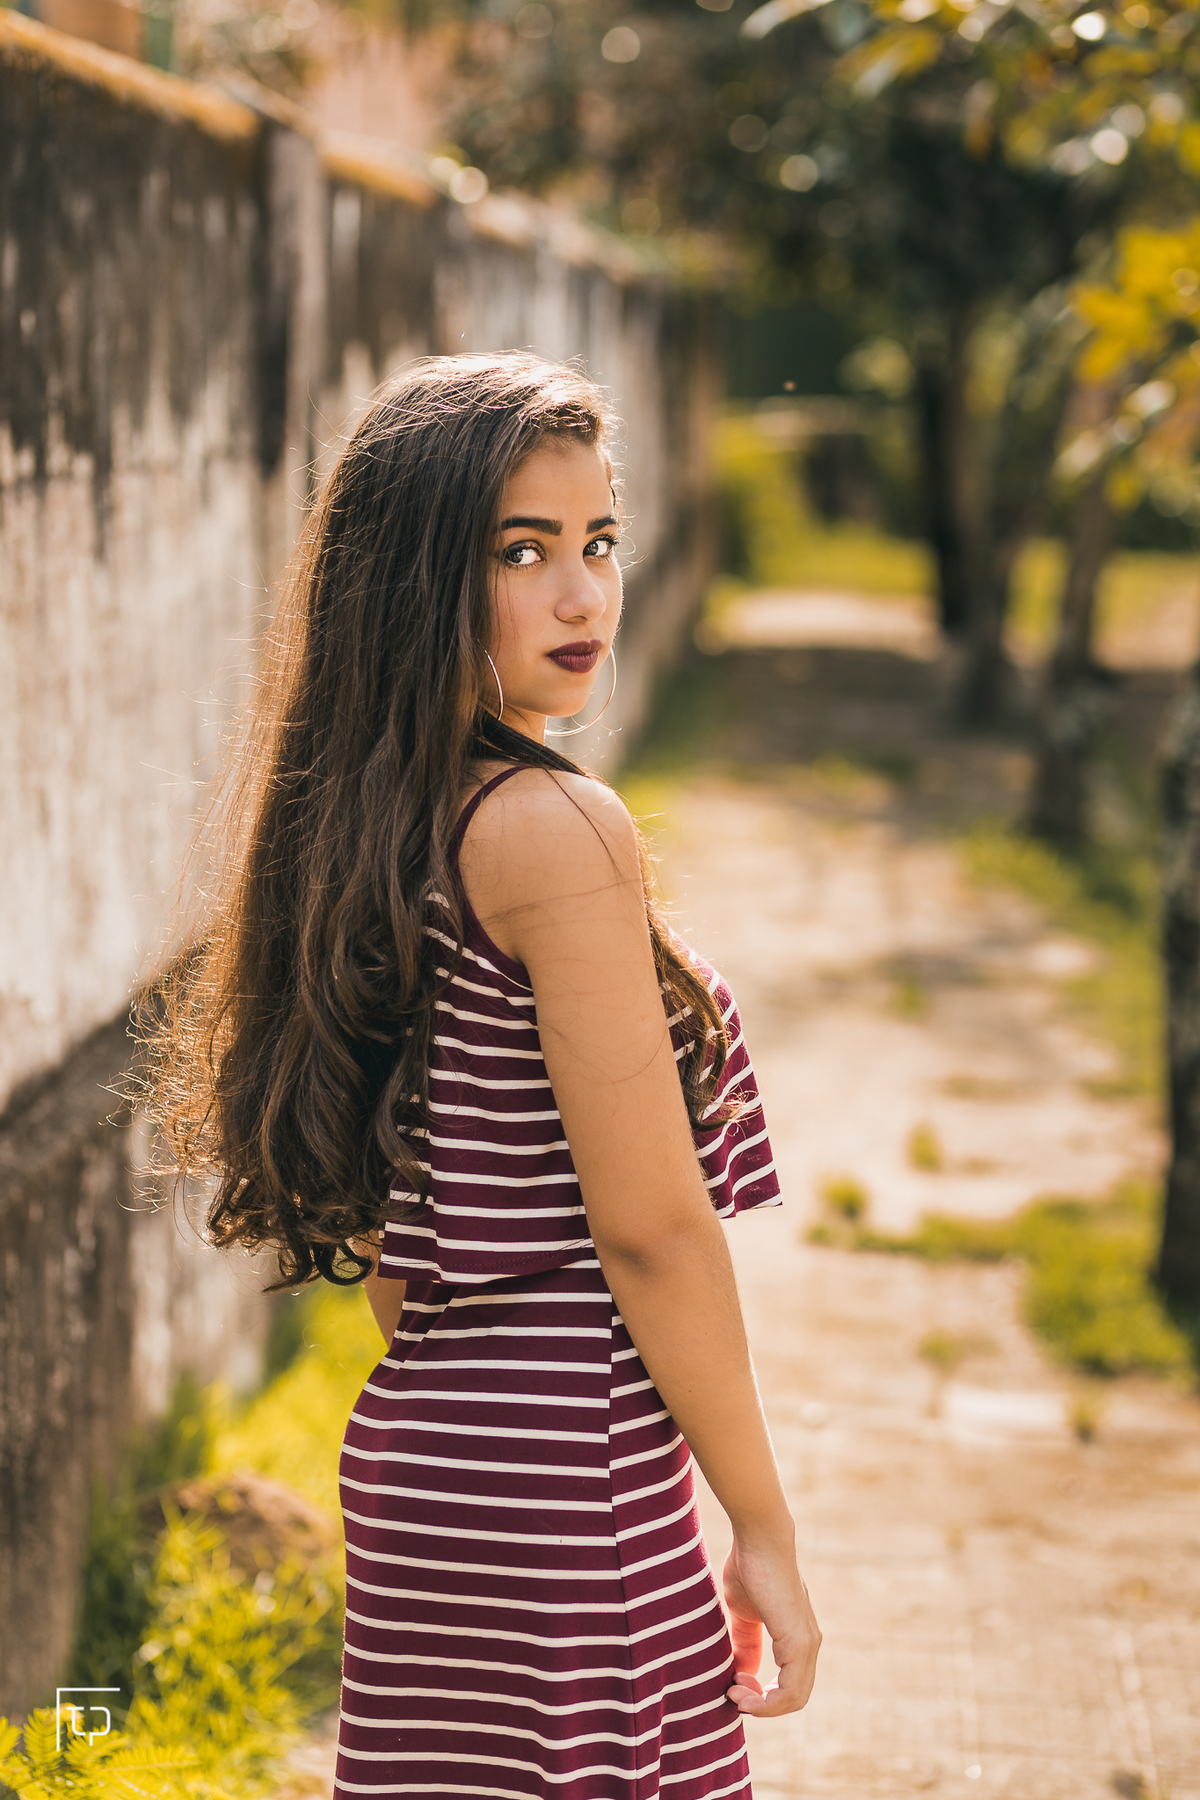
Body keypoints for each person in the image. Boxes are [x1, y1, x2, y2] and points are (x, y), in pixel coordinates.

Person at [146, 352, 820, 1799]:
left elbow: (401, 1247)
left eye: (600, 543)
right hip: (575, 1465)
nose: (585, 597)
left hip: (421, 1449)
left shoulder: (367, 830)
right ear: (419, 585)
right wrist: (758, 1518)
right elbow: (650, 1229)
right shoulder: (556, 831)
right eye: (523, 554)